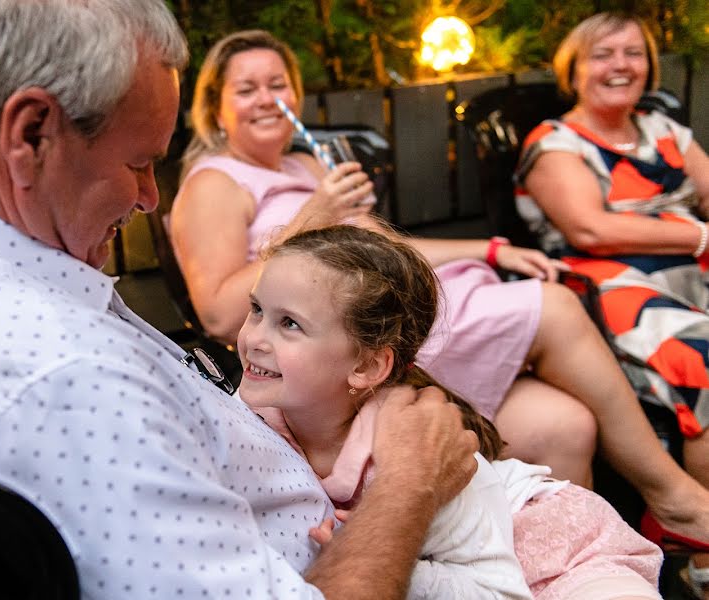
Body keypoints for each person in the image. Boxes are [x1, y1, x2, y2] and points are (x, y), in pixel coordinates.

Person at [0, 2, 480, 599]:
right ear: (32, 133)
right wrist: (408, 483)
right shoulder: (64, 376)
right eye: (139, 162)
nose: (149, 198)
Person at [170, 28, 709, 547]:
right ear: (215, 107)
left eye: (277, 84)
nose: (267, 99)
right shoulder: (216, 182)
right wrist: (317, 213)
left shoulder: (308, 162)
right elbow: (218, 313)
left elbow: (384, 249)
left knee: (563, 427)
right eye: (246, 89)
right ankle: (674, 499)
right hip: (347, 353)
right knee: (556, 304)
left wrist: (489, 249)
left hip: (391, 328)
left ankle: (554, 572)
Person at [239, 224, 662, 600]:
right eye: (257, 310)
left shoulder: (421, 446)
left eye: (289, 323)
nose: (254, 338)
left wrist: (394, 566)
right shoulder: (248, 412)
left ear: (366, 366)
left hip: (561, 557)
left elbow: (499, 589)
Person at [514, 11, 709, 595]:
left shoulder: (666, 130)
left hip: (692, 268)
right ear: (573, 71)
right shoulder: (555, 141)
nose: (621, 66)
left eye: (633, 53)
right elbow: (589, 229)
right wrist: (697, 235)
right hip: (610, 283)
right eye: (603, 54)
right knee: (699, 357)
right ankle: (702, 556)